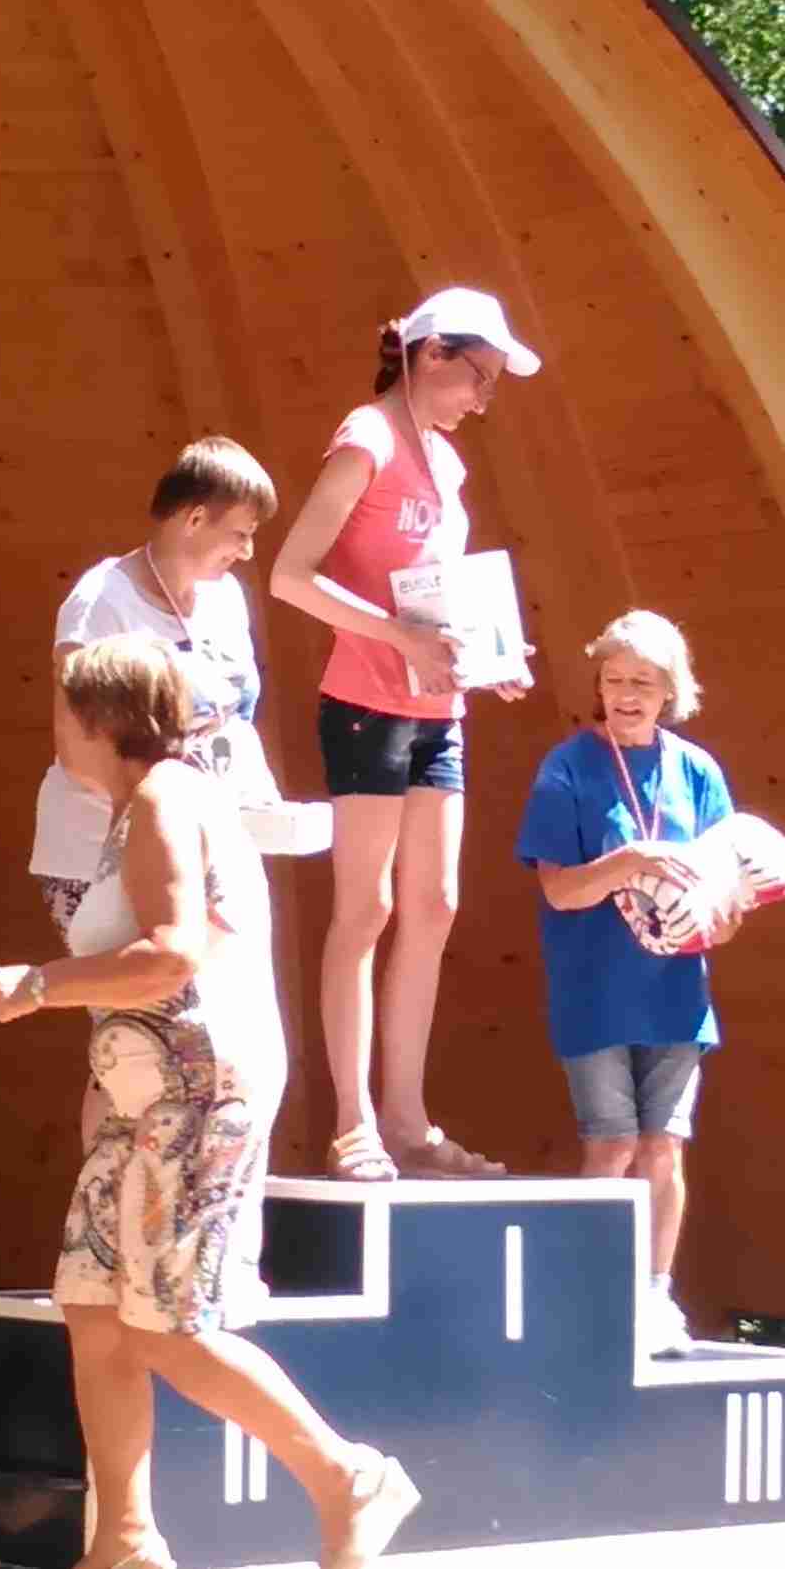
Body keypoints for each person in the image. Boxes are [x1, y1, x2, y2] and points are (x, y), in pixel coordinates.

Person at [0, 636, 419, 1569]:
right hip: (143, 1100)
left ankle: (347, 1478)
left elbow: (172, 954)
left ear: (99, 717)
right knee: (95, 1310)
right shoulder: (145, 804)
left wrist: (38, 984)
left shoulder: (167, 800)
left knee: (172, 1328)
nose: (53, 723)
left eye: (62, 706)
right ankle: (125, 1544)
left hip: (196, 1095)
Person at [268, 287, 540, 1182]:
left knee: (436, 905)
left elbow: (438, 591)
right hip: (366, 702)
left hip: (438, 709)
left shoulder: (446, 463)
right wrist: (399, 640)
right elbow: (289, 576)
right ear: (431, 354)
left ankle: (408, 1121)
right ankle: (353, 1124)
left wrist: (487, 657)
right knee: (367, 908)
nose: (482, 400)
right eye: (477, 377)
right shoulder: (367, 438)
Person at [515, 611, 738, 1357]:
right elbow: (559, 890)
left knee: (663, 1145)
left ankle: (654, 1295)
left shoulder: (697, 771)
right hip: (593, 989)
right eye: (613, 680)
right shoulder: (568, 767)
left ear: (672, 689)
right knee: (610, 1144)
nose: (626, 695)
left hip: (676, 993)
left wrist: (711, 917)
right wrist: (632, 861)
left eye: (642, 681)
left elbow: (727, 893)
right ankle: (594, 1295)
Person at [30, 436, 281, 938]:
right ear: (194, 519)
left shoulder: (226, 597)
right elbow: (77, 746)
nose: (247, 551)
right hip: (101, 853)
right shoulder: (101, 601)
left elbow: (235, 720)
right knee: (151, 988)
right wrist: (156, 818)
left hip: (200, 846)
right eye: (240, 533)